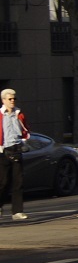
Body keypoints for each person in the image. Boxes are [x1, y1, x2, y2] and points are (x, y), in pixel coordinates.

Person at [0, 88, 31, 220]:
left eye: (14, 99)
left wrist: (24, 141)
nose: (12, 101)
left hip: (17, 149)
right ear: (3, 100)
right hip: (3, 151)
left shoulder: (19, 114)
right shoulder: (0, 115)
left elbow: (25, 130)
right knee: (3, 182)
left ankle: (17, 212)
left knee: (18, 182)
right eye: (10, 99)